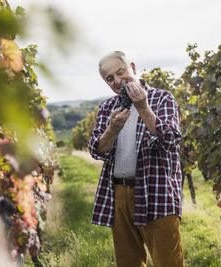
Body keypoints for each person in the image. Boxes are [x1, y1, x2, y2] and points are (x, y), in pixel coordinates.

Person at [87, 51, 184, 267]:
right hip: (119, 194)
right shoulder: (107, 108)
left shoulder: (162, 98)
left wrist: (142, 107)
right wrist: (113, 129)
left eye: (120, 73)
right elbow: (96, 149)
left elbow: (169, 141)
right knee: (128, 262)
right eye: (109, 78)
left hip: (157, 192)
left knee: (168, 262)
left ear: (132, 67)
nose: (117, 81)